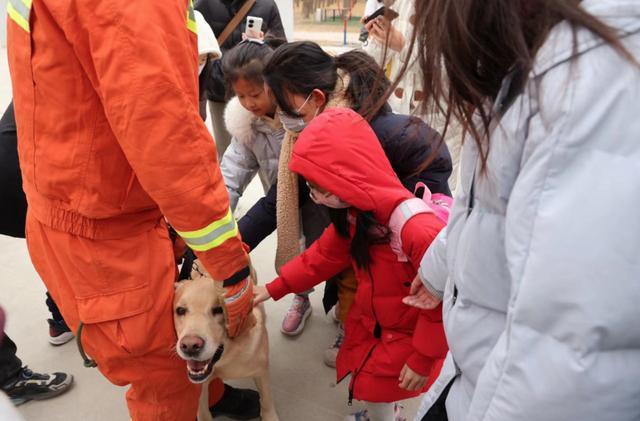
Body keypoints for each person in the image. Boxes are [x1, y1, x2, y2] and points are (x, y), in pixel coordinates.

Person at [7, 1, 258, 420]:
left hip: (81, 204)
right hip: (107, 232)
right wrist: (230, 268)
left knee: (184, 334)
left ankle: (210, 395)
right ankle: (191, 394)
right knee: (163, 369)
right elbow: (164, 131)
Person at [399, 1, 640, 420]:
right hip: (477, 373)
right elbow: (485, 205)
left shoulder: (588, 78)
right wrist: (439, 268)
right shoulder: (535, 58)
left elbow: (567, 357)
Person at [238, 41, 451, 358]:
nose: (281, 118)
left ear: (317, 98)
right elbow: (321, 247)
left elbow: (437, 289)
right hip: (369, 235)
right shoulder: (317, 138)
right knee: (364, 293)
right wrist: (250, 260)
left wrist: (422, 357)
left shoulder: (374, 138)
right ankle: (358, 338)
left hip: (396, 255)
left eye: (285, 107)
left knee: (380, 298)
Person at [254, 108, 448, 421]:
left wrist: (423, 359)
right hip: (375, 322)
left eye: (321, 187)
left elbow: (441, 304)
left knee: (375, 387)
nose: (315, 197)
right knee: (371, 382)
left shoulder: (415, 230)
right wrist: (275, 287)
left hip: (405, 336)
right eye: (310, 187)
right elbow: (323, 256)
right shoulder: (358, 214)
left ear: (351, 177)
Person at [363, 0, 463, 191]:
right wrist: (376, 37)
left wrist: (402, 45)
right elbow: (371, 63)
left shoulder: (455, 9)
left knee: (438, 196)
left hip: (440, 120)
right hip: (399, 119)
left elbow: (456, 70)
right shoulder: (396, 6)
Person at [0, 102, 73, 346]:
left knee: (56, 246)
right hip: (21, 179)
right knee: (72, 242)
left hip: (13, 170)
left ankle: (63, 318)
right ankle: (66, 316)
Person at [195, 0, 286, 158]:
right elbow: (197, 42)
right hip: (220, 90)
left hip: (262, 91)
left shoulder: (266, 5)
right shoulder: (205, 4)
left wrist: (264, 43)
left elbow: (280, 48)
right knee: (229, 155)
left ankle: (275, 183)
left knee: (272, 157)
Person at [220, 38, 285, 212]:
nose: (249, 103)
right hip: (281, 212)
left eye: (255, 95)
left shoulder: (300, 116)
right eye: (241, 96)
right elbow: (231, 175)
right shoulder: (247, 125)